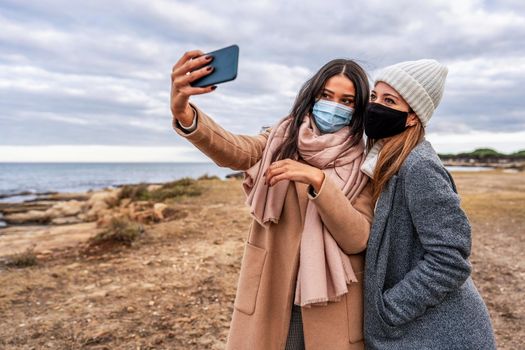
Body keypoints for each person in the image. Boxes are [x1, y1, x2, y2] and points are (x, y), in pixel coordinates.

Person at [170, 50, 374, 349]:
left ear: (358, 110)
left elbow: (358, 238)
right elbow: (237, 151)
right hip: (273, 291)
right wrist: (185, 114)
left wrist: (318, 181)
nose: (334, 107)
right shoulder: (280, 139)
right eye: (326, 96)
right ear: (312, 96)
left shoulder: (364, 161)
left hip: (332, 302)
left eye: (346, 101)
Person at [360, 59, 497, 349]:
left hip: (439, 336)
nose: (375, 106)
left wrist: (389, 311)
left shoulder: (418, 165)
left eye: (389, 100)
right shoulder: (383, 157)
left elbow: (451, 258)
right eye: (374, 96)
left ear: (412, 116)